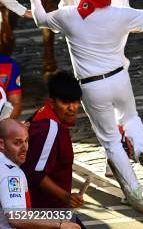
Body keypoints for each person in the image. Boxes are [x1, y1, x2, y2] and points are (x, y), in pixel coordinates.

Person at [26, 0, 143, 197]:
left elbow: (40, 20)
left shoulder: (68, 15)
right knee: (131, 118)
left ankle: (135, 192)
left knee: (111, 141)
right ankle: (142, 150)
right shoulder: (119, 15)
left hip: (92, 86)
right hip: (119, 78)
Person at [0, 119, 80, 228]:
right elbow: (16, 218)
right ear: (1, 144)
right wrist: (60, 225)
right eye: (17, 143)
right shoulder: (12, 175)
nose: (25, 148)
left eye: (26, 141)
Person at [21, 71, 84, 210]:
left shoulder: (44, 117)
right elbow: (36, 173)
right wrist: (66, 197)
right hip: (46, 211)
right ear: (52, 102)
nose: (72, 108)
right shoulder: (49, 129)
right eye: (65, 102)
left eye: (75, 101)